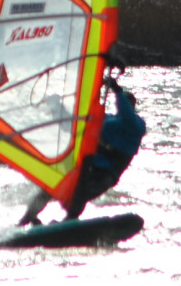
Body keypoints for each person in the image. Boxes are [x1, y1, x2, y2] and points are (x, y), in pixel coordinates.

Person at [19, 68, 146, 225]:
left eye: (128, 103)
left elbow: (127, 114)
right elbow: (74, 124)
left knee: (78, 197)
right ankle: (26, 221)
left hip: (104, 175)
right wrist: (56, 107)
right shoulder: (105, 121)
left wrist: (117, 90)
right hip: (85, 167)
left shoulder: (137, 125)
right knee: (49, 189)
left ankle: (66, 224)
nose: (125, 105)